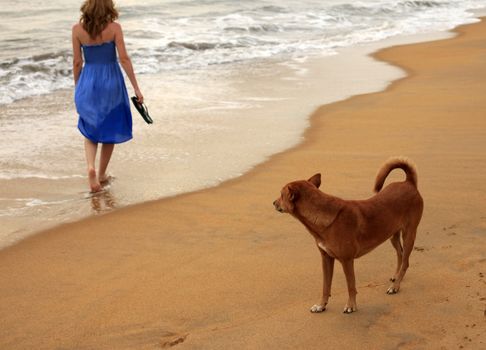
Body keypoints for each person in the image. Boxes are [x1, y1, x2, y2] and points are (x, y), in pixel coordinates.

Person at [72, 0, 143, 192]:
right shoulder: (114, 28)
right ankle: (102, 174)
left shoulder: (77, 30)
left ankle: (90, 168)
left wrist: (78, 87)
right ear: (108, 7)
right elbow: (124, 58)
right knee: (110, 127)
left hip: (89, 80)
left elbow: (77, 62)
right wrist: (136, 88)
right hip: (111, 80)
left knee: (90, 127)